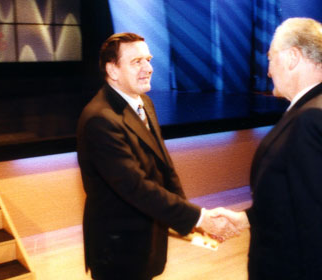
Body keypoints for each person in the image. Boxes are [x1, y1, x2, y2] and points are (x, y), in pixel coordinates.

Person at [76, 32, 239, 280]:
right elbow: (136, 187)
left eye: (148, 59)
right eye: (136, 62)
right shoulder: (101, 119)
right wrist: (201, 217)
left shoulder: (144, 103)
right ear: (113, 70)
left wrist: (192, 220)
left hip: (147, 240)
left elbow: (165, 168)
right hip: (118, 250)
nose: (149, 68)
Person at [218, 18, 322, 279]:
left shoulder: (313, 120)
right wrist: (247, 218)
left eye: (271, 58)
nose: (269, 71)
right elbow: (295, 201)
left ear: (292, 57)